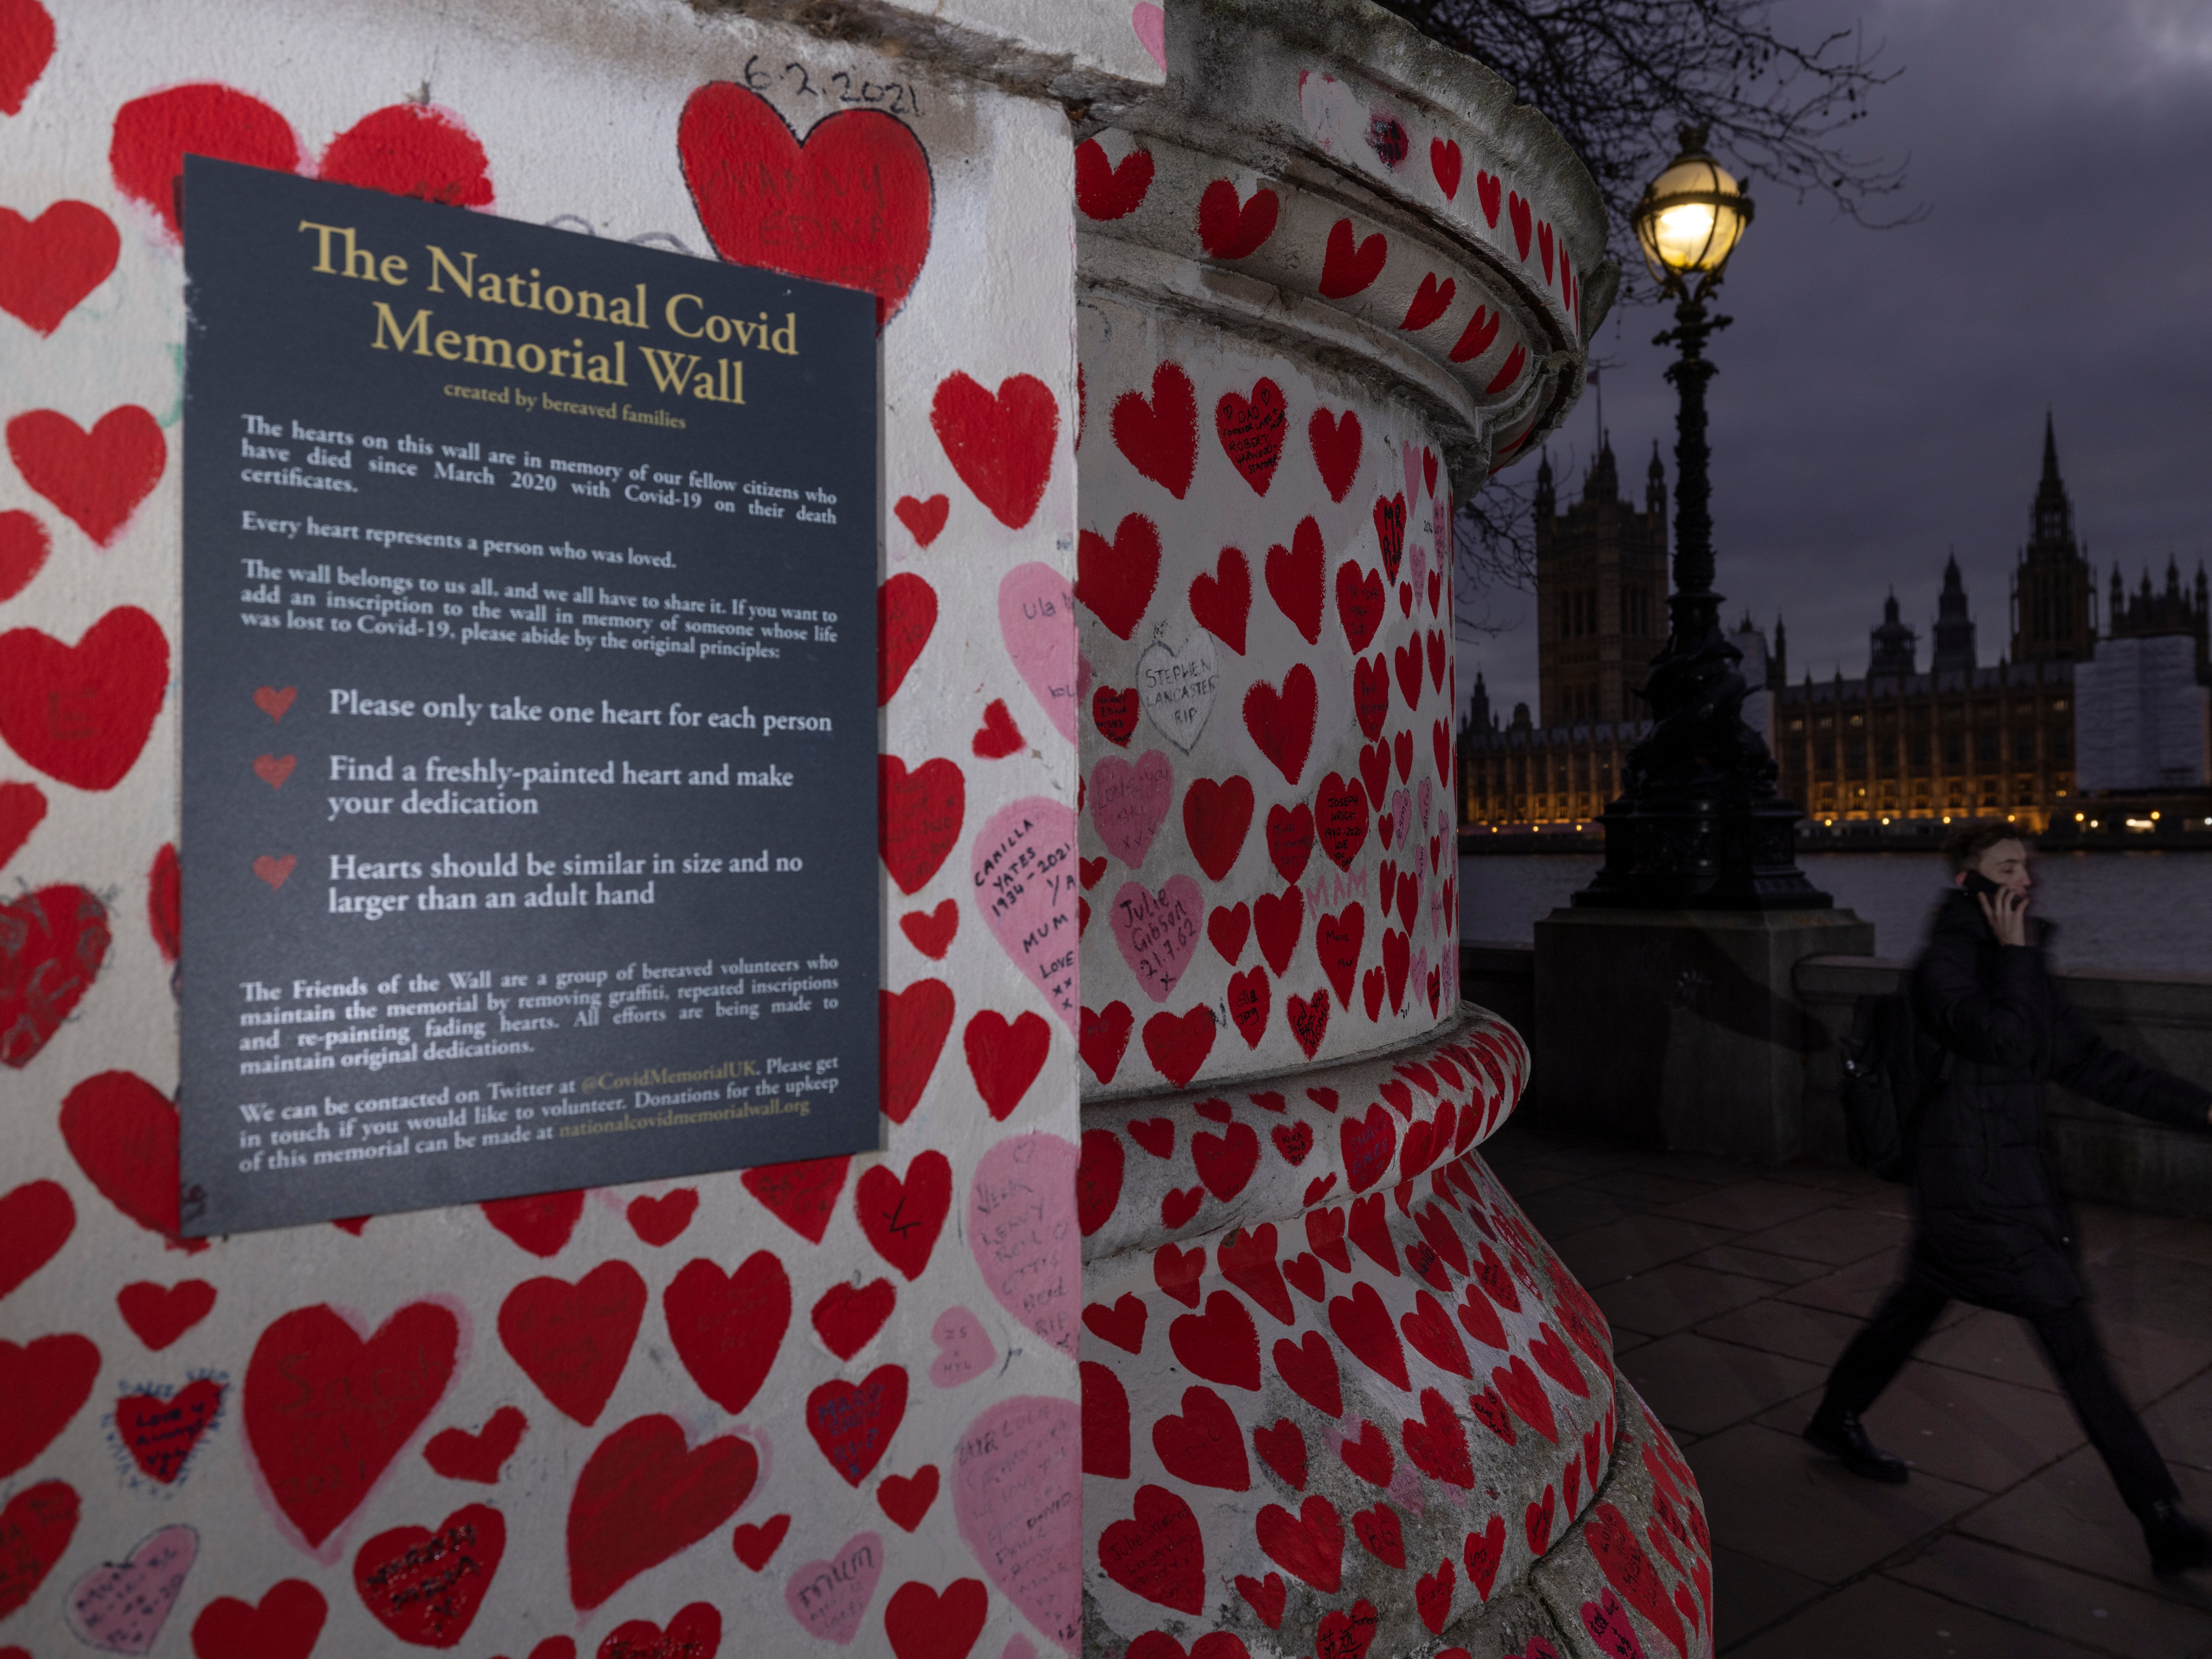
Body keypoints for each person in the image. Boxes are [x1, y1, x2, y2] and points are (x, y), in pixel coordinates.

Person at [1803, 820, 2212, 1576]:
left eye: (2027, 865)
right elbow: (2005, 1041)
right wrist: (2020, 957)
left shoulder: (2013, 963)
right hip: (1981, 1194)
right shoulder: (1947, 964)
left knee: (1914, 1304)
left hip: (1986, 1186)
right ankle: (2160, 1519)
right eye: (2007, 867)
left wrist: (2203, 1110)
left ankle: (1835, 1416)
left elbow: (2094, 1065)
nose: (2025, 879)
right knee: (2076, 1347)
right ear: (1970, 883)